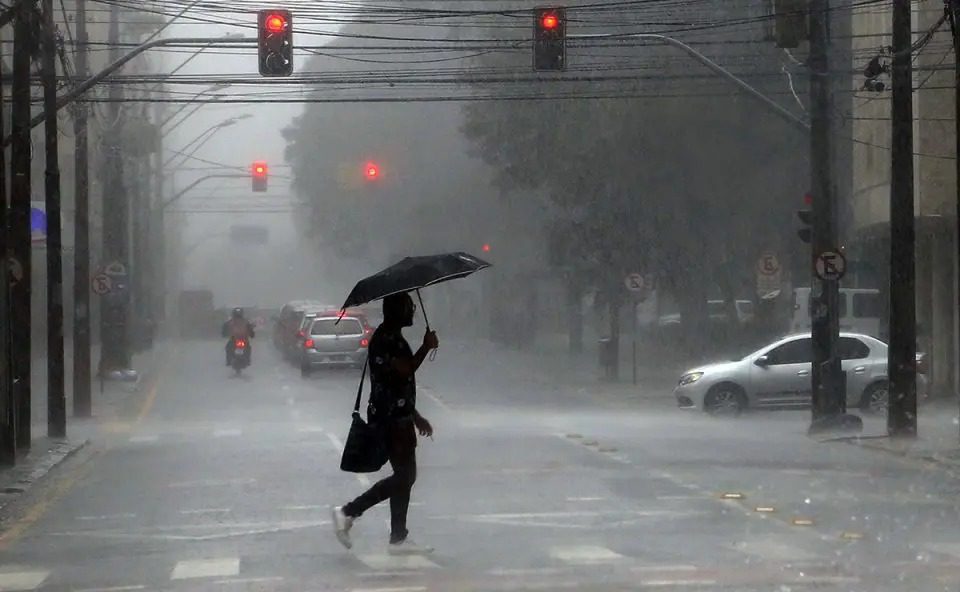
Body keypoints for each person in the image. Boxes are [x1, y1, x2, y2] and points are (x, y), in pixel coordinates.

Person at [332, 292, 438, 555]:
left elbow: (398, 384)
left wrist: (415, 416)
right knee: (405, 476)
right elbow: (404, 370)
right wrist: (426, 347)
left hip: (399, 416)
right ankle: (348, 511)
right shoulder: (384, 340)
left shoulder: (393, 337)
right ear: (396, 310)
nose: (413, 311)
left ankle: (398, 538)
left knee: (406, 476)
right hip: (389, 420)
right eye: (408, 307)